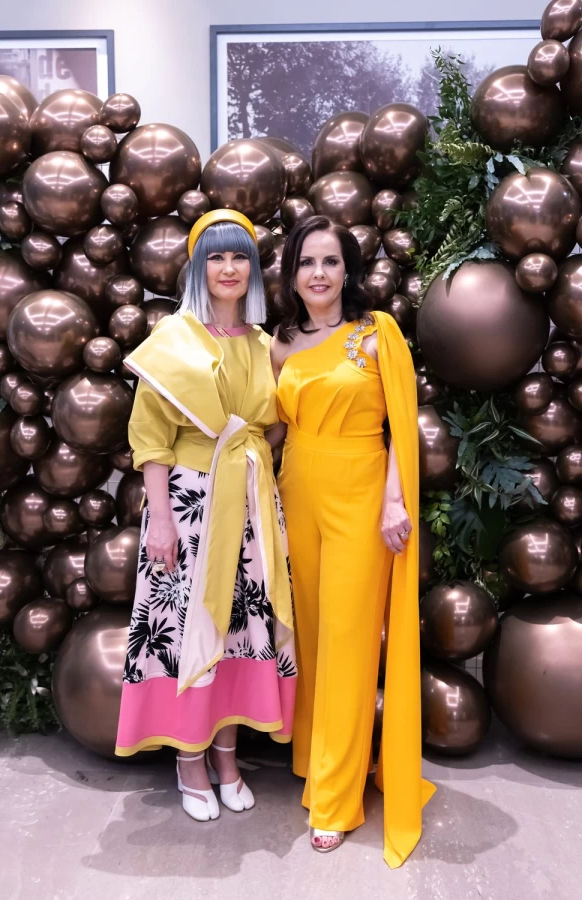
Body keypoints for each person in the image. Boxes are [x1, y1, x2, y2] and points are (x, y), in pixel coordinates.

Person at [115, 209, 296, 824]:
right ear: (198, 268)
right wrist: (161, 518)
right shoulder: (175, 339)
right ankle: (188, 760)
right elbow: (149, 438)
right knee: (191, 627)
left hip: (250, 508)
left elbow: (276, 425)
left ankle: (226, 756)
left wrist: (253, 466)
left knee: (241, 628)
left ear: (253, 269)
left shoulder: (267, 345)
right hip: (189, 506)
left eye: (240, 255)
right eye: (215, 256)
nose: (228, 267)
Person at [269, 215, 435, 864]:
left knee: (349, 642)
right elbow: (273, 428)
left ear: (348, 271)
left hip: (361, 495)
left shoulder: (377, 331)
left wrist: (395, 498)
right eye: (307, 262)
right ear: (292, 274)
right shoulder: (282, 341)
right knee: (311, 637)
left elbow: (401, 424)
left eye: (331, 261)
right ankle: (318, 762)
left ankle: (336, 800)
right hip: (296, 491)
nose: (318, 273)